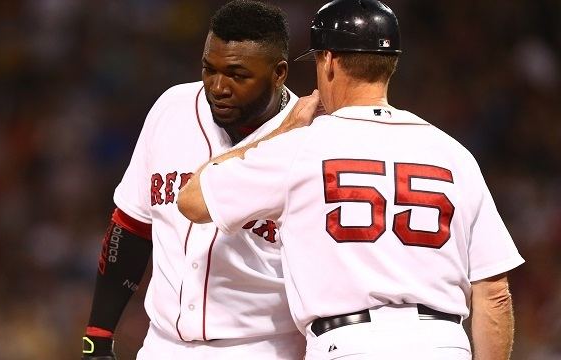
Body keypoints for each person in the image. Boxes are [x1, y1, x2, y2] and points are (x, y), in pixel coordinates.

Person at [177, 0, 525, 359]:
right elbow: (494, 292)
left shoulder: (302, 146)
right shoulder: (454, 155)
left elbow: (193, 200)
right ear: (391, 63)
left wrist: (282, 130)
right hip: (443, 343)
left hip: (348, 343)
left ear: (328, 61)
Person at [80, 1, 307, 359]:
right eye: (209, 69)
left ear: (279, 73)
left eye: (237, 74)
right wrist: (98, 335)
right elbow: (132, 225)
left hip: (264, 348)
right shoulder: (173, 108)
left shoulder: (311, 138)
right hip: (163, 345)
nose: (218, 86)